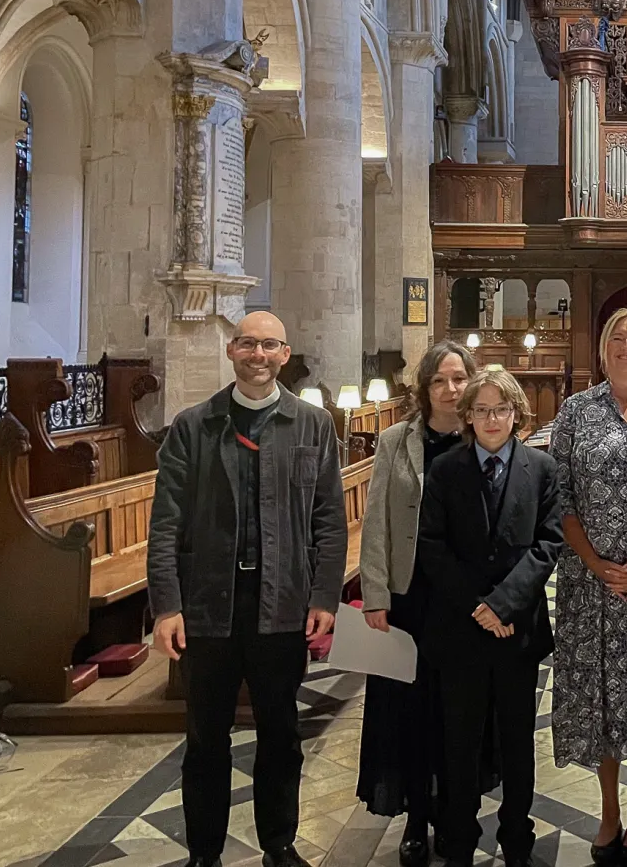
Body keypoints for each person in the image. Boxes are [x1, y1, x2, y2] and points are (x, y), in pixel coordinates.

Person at [148, 311, 347, 867]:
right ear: (232, 351)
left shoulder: (313, 425)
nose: (258, 355)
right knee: (205, 739)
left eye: (270, 346)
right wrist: (166, 605)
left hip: (282, 606)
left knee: (281, 735)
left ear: (286, 354)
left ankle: (279, 845)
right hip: (208, 608)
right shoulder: (194, 425)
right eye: (248, 344)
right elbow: (165, 522)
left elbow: (329, 520)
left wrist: (324, 597)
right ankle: (204, 853)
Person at [357, 340, 498, 866]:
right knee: (410, 712)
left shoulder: (484, 434)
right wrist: (375, 595)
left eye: (459, 378)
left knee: (459, 710)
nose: (450, 389)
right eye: (439, 380)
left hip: (466, 597)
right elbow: (377, 523)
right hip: (410, 596)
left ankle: (455, 813)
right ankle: (417, 818)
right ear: (423, 388)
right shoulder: (397, 441)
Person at [417, 367, 563, 867]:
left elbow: (548, 543)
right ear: (468, 418)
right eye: (481, 410)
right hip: (460, 629)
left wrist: (503, 604)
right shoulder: (446, 469)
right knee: (460, 739)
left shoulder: (541, 468)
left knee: (517, 740)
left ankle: (516, 834)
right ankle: (459, 836)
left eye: (500, 409)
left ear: (517, 414)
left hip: (517, 629)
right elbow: (431, 545)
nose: (491, 419)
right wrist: (477, 606)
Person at [549, 309, 627, 866]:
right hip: (589, 581)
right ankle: (607, 811)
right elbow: (562, 497)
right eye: (617, 339)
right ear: (603, 352)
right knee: (601, 698)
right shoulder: (577, 411)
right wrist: (598, 564)